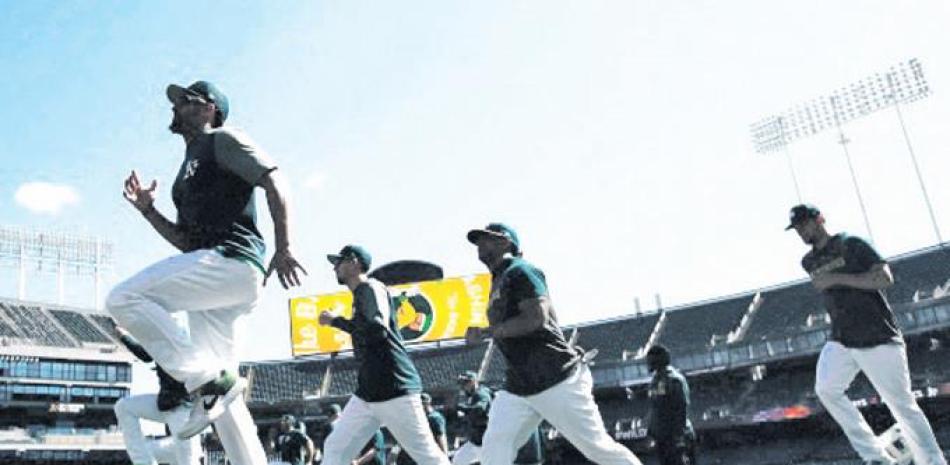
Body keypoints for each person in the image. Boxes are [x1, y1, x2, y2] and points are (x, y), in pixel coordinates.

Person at [107, 80, 306, 464]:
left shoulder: (223, 140)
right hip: (213, 277)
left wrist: (284, 246)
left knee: (124, 298)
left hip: (232, 262)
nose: (175, 106)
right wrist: (149, 211)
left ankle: (204, 381)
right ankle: (213, 386)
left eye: (185, 100)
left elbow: (274, 179)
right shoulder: (187, 169)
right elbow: (185, 243)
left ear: (210, 108)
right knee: (225, 406)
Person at [465, 223, 642, 465]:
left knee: (598, 449)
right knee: (494, 450)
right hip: (519, 385)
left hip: (555, 378)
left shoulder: (521, 271)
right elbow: (551, 321)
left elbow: (537, 318)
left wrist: (487, 331)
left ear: (506, 243)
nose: (480, 245)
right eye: (478, 241)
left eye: (487, 239)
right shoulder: (499, 279)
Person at [788, 204, 947, 465]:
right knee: (827, 389)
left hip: (878, 336)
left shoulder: (852, 243)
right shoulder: (808, 261)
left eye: (805, 224)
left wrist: (837, 278)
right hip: (842, 338)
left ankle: (933, 461)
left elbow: (884, 279)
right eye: (797, 228)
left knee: (902, 406)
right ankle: (875, 457)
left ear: (820, 219)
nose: (801, 232)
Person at [317, 245, 450, 465]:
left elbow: (376, 329)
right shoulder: (361, 293)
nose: (335, 268)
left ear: (354, 262)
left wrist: (336, 321)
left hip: (394, 388)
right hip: (368, 393)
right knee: (335, 448)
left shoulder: (370, 287)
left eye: (338, 262)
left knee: (426, 455)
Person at [114, 326, 201, 465]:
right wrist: (123, 336)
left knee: (188, 460)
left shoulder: (184, 348)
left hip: (182, 412)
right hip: (165, 406)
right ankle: (143, 462)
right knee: (124, 406)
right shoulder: (162, 345)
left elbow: (147, 354)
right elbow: (146, 355)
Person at [645, 345, 694, 465]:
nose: (647, 363)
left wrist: (680, 437)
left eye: (650, 360)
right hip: (663, 439)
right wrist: (651, 433)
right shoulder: (655, 380)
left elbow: (681, 408)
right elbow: (656, 408)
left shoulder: (674, 379)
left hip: (675, 438)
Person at [451, 371, 491, 465]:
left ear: (473, 382)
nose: (463, 387)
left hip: (488, 441)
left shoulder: (481, 394)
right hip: (477, 441)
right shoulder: (472, 396)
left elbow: (479, 409)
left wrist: (461, 407)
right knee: (457, 461)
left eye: (465, 383)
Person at [396, 393, 448, 465]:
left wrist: (444, 456)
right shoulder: (417, 417)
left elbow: (441, 437)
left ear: (426, 404)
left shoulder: (435, 418)